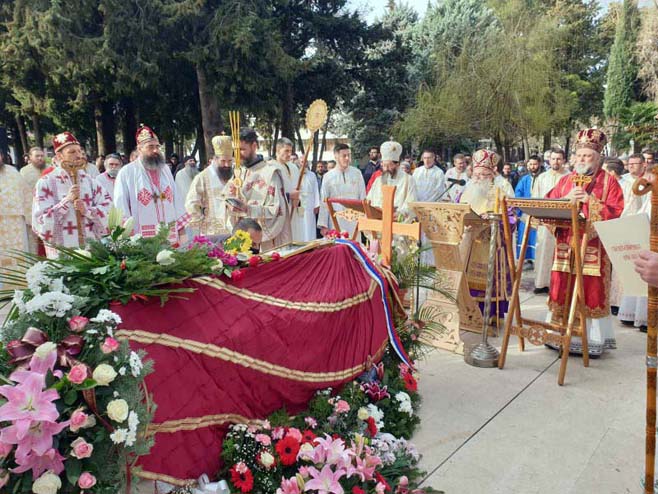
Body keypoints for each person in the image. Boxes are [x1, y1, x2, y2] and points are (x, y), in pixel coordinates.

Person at [545, 128, 623, 356]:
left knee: (590, 290)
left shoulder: (609, 182)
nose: (582, 159)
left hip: (592, 248)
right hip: (565, 246)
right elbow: (548, 204)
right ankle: (557, 335)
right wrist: (564, 200)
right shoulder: (565, 181)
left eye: (587, 156)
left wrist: (590, 201)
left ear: (598, 158)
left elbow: (616, 211)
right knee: (561, 286)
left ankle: (591, 341)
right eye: (579, 155)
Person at [32, 132, 111, 258]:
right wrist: (66, 201)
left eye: (79, 151)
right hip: (62, 251)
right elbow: (40, 222)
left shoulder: (90, 182)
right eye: (72, 152)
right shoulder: (46, 183)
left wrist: (87, 210)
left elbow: (109, 210)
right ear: (59, 155)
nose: (78, 155)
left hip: (91, 249)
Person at [114, 125, 190, 245]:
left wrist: (182, 233)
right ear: (139, 149)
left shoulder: (165, 169)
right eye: (150, 147)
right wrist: (128, 238)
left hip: (170, 236)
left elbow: (176, 201)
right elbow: (121, 206)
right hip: (141, 240)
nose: (155, 150)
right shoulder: (127, 172)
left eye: (157, 147)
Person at [225, 127, 289, 250]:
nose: (237, 155)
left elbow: (277, 211)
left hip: (264, 243)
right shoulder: (239, 171)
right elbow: (225, 198)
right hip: (240, 239)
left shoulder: (270, 173)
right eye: (235, 150)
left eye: (242, 149)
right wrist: (229, 202)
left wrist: (247, 209)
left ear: (254, 146)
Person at [616, 153, 649, 329]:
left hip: (647, 229)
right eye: (630, 163)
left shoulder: (648, 180)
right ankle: (630, 314)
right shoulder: (626, 181)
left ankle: (644, 317)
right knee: (635, 273)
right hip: (635, 228)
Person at [533, 147, 568, 293]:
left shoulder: (570, 177)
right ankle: (541, 283)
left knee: (561, 252)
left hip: (563, 222)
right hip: (545, 221)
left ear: (564, 160)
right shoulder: (542, 177)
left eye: (559, 159)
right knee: (543, 250)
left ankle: (559, 284)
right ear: (549, 160)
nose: (556, 161)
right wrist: (536, 217)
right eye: (553, 158)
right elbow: (535, 197)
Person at [185, 134, 234, 237]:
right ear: (215, 159)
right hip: (211, 232)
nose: (227, 165)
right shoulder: (202, 177)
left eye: (229, 161)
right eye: (223, 161)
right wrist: (199, 225)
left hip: (234, 231)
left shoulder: (235, 175)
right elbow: (191, 204)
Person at [317, 143, 366, 236]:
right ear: (336, 156)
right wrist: (323, 225)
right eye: (344, 156)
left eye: (349, 155)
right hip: (336, 220)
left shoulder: (357, 173)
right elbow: (324, 201)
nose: (347, 158)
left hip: (354, 220)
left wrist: (365, 218)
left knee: (354, 247)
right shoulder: (328, 177)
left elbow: (363, 197)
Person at [366, 140, 417, 218]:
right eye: (383, 165)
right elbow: (369, 199)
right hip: (378, 222)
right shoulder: (378, 180)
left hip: (398, 223)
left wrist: (399, 214)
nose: (386, 169)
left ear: (398, 164)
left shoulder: (408, 180)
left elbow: (411, 203)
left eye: (389, 165)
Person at [0, 150, 31, 277]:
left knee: (18, 257)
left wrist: (31, 220)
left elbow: (27, 195)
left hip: (15, 224)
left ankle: (20, 289)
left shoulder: (12, 172)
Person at [269, 137, 299, 241]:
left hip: (293, 211)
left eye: (290, 151)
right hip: (279, 214)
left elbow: (299, 189)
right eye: (286, 151)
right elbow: (270, 194)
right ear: (278, 150)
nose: (289, 154)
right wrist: (289, 196)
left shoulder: (294, 167)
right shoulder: (270, 168)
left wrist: (297, 200)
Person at [514, 155, 543, 263]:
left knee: (537, 236)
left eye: (535, 164)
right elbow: (518, 193)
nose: (532, 166)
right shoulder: (524, 179)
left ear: (539, 164)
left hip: (540, 212)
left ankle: (537, 258)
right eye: (530, 164)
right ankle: (525, 258)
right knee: (524, 235)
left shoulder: (543, 178)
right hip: (525, 212)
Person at [20, 147, 47, 254]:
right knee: (34, 243)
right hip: (32, 211)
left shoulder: (51, 169)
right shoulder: (24, 172)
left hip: (48, 210)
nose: (40, 158)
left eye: (41, 156)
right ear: (30, 158)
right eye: (37, 156)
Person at [292, 156, 321, 242]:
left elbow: (316, 190)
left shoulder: (312, 175)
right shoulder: (295, 175)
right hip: (299, 204)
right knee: (300, 225)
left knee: (309, 225)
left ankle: (310, 242)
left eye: (305, 162)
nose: (303, 164)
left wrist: (317, 205)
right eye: (301, 162)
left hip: (310, 204)